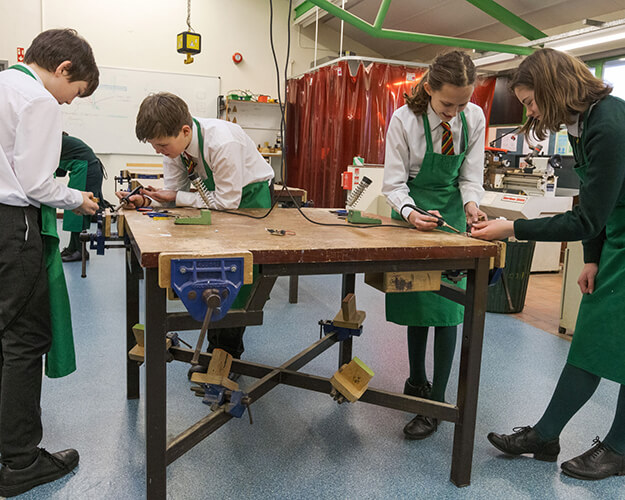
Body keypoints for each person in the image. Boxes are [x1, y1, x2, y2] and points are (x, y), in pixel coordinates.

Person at [471, 48, 625, 481]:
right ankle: (546, 434)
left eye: (533, 101)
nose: (532, 111)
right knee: (595, 333)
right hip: (618, 235)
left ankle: (618, 448)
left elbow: (587, 216)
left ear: (556, 89)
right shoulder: (584, 123)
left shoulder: (609, 124)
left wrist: (514, 228)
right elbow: (597, 199)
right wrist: (593, 258)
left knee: (608, 338)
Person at [0, 28, 99, 497]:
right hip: (12, 226)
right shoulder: (36, 99)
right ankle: (20, 462)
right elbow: (37, 184)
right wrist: (78, 198)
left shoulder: (3, 84)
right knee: (25, 339)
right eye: (74, 92)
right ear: (63, 70)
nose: (69, 103)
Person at [118, 92, 274, 367]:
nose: (159, 151)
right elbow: (175, 194)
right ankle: (217, 346)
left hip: (249, 199)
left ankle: (226, 356)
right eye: (155, 146)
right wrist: (145, 199)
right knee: (211, 265)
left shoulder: (222, 142)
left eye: (162, 145)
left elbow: (227, 202)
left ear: (185, 130)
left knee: (236, 273)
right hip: (217, 197)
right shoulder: (174, 146)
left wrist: (175, 198)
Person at [382, 50, 487, 440]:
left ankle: (436, 403)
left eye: (462, 103)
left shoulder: (473, 118)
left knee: (447, 310)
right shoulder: (404, 119)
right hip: (412, 217)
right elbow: (393, 183)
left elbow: (469, 176)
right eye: (447, 103)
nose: (454, 112)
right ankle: (416, 381)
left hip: (451, 220)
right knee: (417, 303)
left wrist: (473, 205)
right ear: (429, 89)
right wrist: (410, 213)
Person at [57, 133, 106, 262]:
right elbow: (60, 171)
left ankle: (80, 250)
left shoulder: (54, 140)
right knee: (74, 209)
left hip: (86, 170)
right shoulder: (60, 140)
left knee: (77, 210)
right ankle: (73, 247)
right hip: (84, 169)